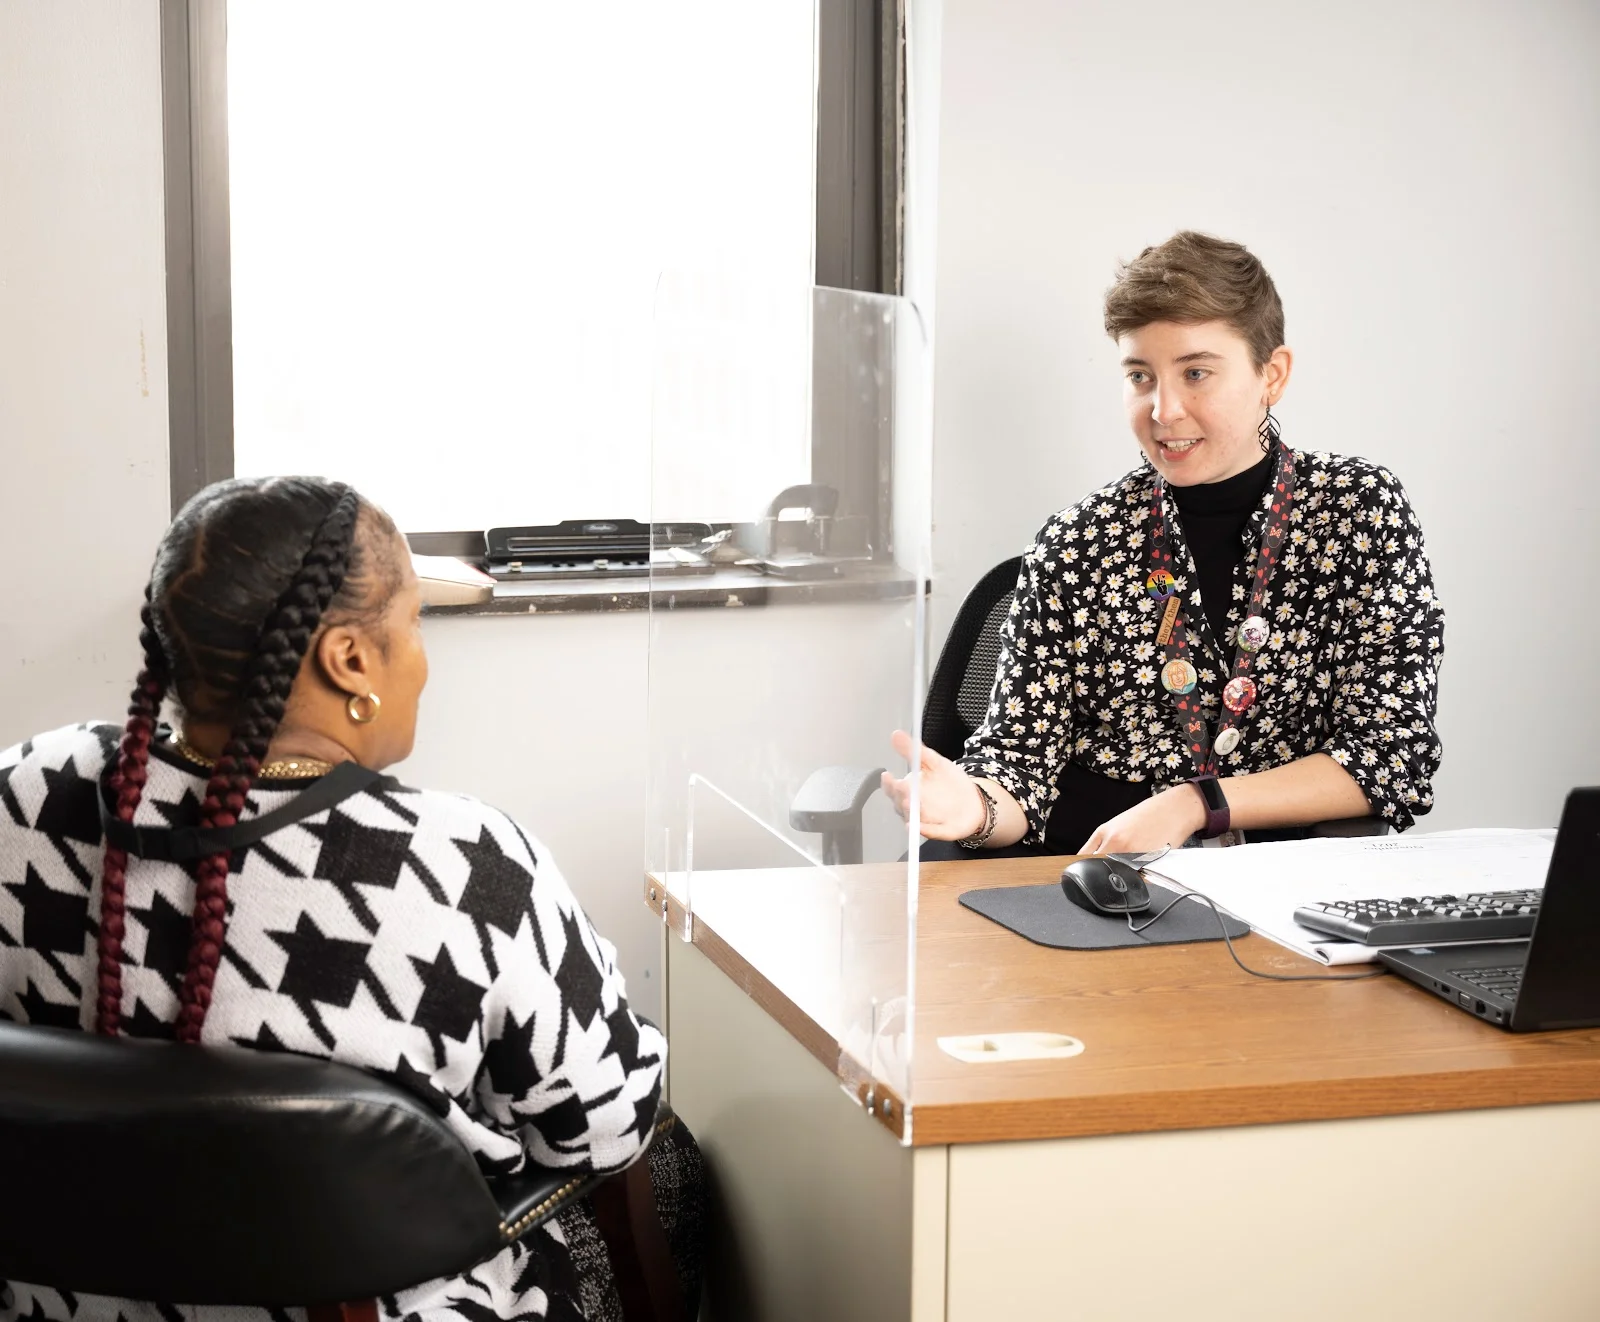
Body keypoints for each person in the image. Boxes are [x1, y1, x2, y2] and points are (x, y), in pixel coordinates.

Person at [0, 477, 701, 1322]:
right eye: (415, 622)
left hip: (65, 1304)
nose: (423, 660)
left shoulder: (25, 793)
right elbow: (605, 1128)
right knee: (672, 1162)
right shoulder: (465, 870)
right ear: (350, 660)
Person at [885, 231, 1445, 858]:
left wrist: (1195, 802)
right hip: (1090, 876)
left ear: (1272, 375)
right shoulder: (1079, 540)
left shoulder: (1357, 512)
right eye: (1140, 376)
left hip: (1275, 883)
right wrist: (975, 808)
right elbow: (1017, 770)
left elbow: (1392, 758)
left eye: (1195, 373)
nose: (1164, 410)